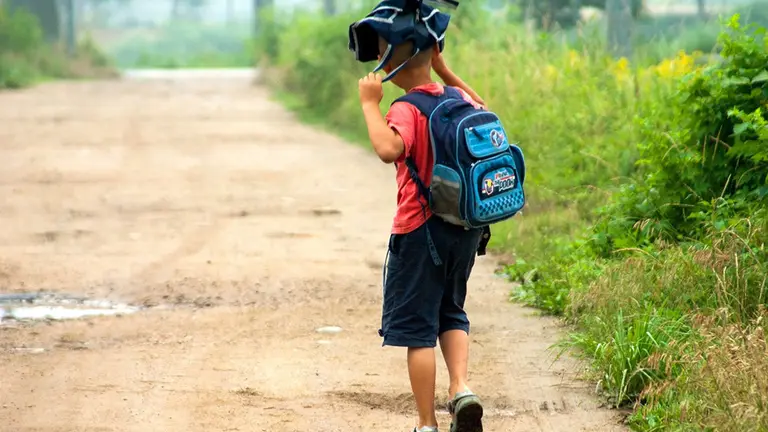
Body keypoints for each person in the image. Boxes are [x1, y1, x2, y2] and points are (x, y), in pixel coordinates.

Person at [357, 33, 488, 432]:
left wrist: (368, 105)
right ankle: (461, 388)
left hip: (419, 232)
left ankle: (426, 423)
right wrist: (445, 70)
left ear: (394, 64)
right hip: (464, 229)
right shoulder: (455, 99)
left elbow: (388, 149)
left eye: (381, 55)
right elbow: (484, 111)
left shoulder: (406, 108)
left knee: (418, 331)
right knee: (451, 311)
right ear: (432, 54)